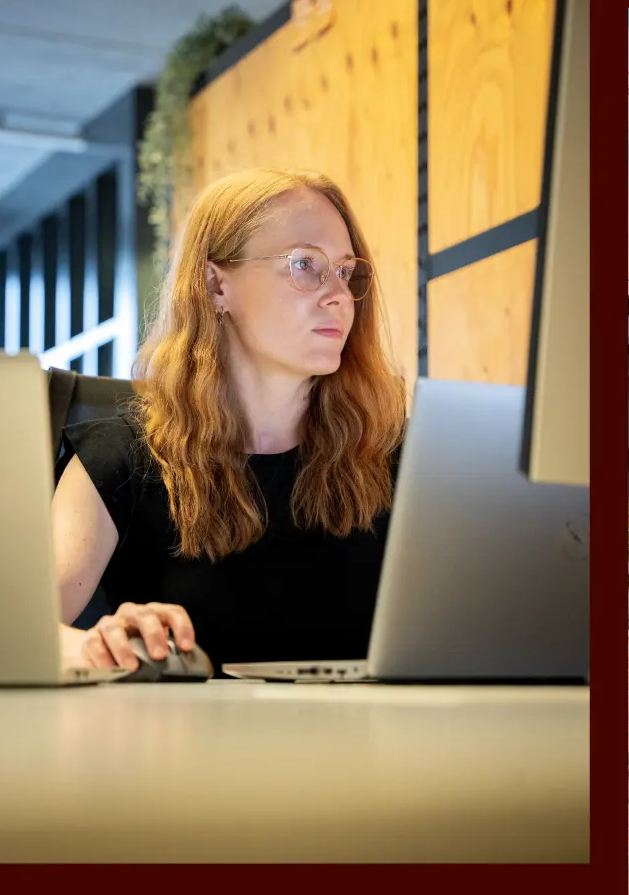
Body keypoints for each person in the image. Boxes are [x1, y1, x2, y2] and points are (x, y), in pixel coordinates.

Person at [54, 167, 406, 673]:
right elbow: (14, 626)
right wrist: (100, 644)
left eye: (346, 271)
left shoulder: (398, 453)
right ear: (216, 285)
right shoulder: (121, 454)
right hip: (182, 728)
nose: (338, 294)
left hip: (375, 726)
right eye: (305, 264)